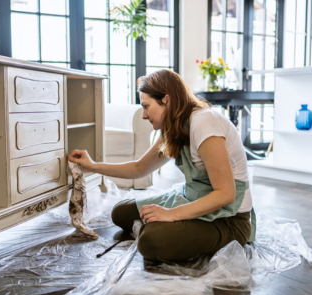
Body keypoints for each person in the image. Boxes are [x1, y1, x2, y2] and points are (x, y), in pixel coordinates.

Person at [67, 69, 255, 263]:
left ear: (166, 100)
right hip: (192, 197)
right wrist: (92, 166)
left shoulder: (205, 123)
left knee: (152, 241)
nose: (144, 115)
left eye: (147, 106)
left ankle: (168, 229)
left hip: (229, 219)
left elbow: (225, 194)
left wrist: (170, 214)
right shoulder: (175, 127)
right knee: (120, 212)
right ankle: (174, 228)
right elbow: (139, 168)